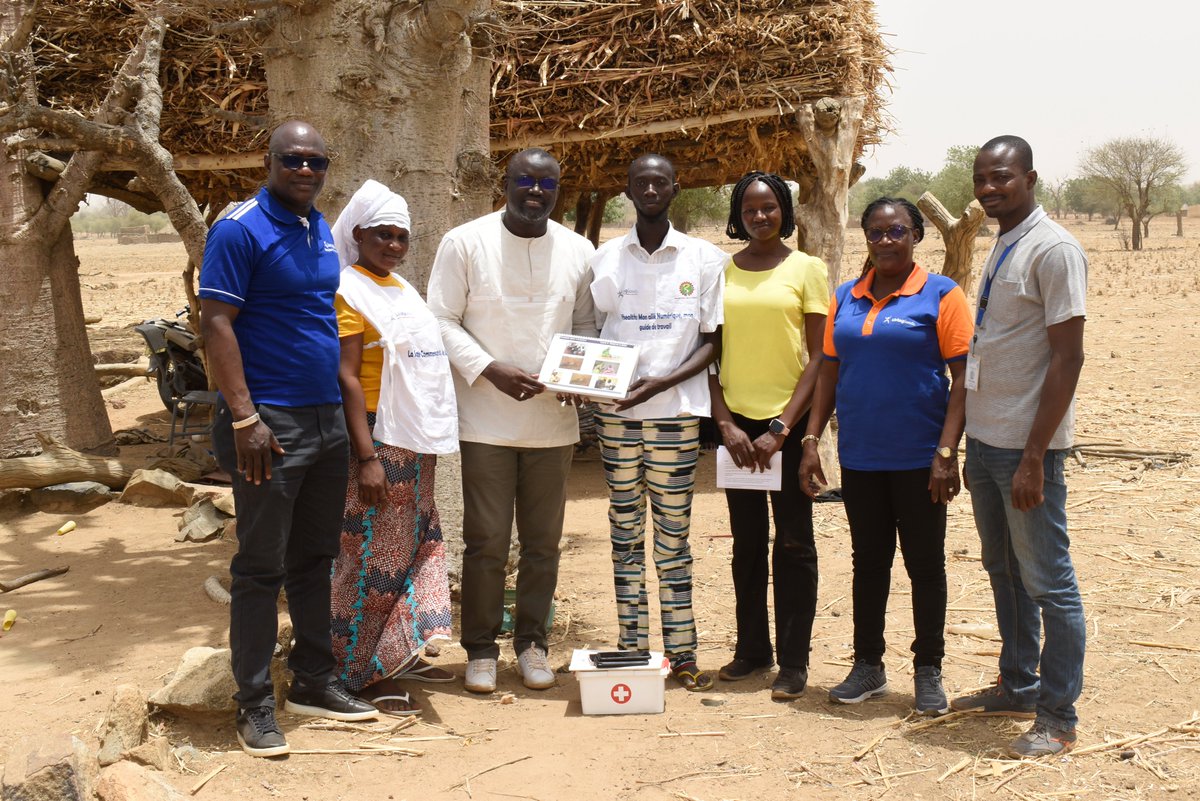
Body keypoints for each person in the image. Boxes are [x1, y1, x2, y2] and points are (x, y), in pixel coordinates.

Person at [199, 121, 377, 758]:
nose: (305, 170)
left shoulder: (319, 229)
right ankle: (253, 705)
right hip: (268, 424)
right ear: (268, 161)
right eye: (293, 159)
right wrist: (244, 417)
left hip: (325, 418)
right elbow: (215, 322)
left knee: (315, 558)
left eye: (316, 161)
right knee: (259, 568)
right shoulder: (239, 228)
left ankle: (313, 682)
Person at [427, 148, 597, 694]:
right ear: (505, 183)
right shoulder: (465, 242)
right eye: (524, 180)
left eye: (546, 183)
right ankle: (480, 648)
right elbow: (441, 319)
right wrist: (489, 368)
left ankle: (532, 644)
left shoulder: (577, 250)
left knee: (545, 543)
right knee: (486, 542)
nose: (534, 191)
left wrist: (581, 375)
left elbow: (588, 325)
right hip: (485, 421)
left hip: (553, 423)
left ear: (557, 190)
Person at [799, 198, 972, 715]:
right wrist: (810, 441)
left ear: (916, 235)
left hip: (922, 457)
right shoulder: (845, 298)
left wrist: (946, 451)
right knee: (868, 563)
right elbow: (827, 372)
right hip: (861, 456)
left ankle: (928, 669)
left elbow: (963, 378)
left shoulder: (941, 294)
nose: (885, 241)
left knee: (925, 565)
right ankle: (868, 665)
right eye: (875, 232)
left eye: (897, 231)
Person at [950, 136, 1087, 758]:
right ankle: (1018, 682)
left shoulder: (1054, 248)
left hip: (1025, 450)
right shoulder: (1005, 238)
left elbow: (1068, 357)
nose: (988, 187)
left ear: (1030, 178)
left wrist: (1035, 455)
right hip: (985, 440)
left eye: (1001, 177)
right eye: (981, 177)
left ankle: (1057, 717)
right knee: (1003, 571)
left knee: (1050, 584)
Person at [589, 154, 727, 692]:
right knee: (624, 533)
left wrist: (661, 383)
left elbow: (712, 340)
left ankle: (683, 652)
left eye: (660, 181)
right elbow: (593, 331)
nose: (650, 188)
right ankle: (631, 649)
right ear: (627, 189)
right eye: (640, 181)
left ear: (675, 187)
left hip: (675, 417)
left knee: (673, 539)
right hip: (617, 418)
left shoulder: (704, 258)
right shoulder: (603, 259)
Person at [327, 180, 458, 716]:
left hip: (412, 440)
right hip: (377, 436)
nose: (395, 245)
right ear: (357, 234)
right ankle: (350, 674)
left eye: (402, 237)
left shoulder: (400, 288)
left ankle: (390, 656)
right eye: (383, 234)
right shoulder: (347, 289)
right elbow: (347, 377)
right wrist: (366, 459)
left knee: (407, 549)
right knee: (368, 559)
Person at [708, 171, 828, 700]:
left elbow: (821, 355)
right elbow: (708, 358)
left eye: (770, 207)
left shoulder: (807, 268)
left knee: (795, 542)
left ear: (785, 211)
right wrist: (726, 424)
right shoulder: (721, 273)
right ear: (739, 214)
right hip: (737, 429)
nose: (761, 216)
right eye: (751, 209)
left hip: (788, 423)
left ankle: (795, 662)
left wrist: (783, 429)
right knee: (747, 543)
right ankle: (753, 649)